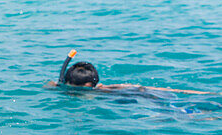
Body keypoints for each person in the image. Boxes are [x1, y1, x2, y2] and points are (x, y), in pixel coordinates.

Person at [54, 51, 208, 95]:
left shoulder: (103, 91)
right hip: (146, 95)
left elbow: (142, 89)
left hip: (149, 100)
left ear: (88, 85)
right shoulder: (101, 88)